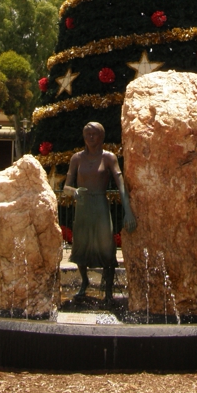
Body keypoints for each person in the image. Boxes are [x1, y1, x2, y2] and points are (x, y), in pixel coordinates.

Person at [64, 122, 136, 303]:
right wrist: (74, 192)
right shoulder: (76, 158)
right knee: (81, 245)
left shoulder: (109, 158)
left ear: (101, 137)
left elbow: (121, 186)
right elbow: (66, 186)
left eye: (94, 134)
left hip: (100, 205)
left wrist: (128, 211)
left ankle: (109, 290)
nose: (90, 137)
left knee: (106, 247)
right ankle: (84, 282)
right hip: (83, 207)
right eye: (87, 133)